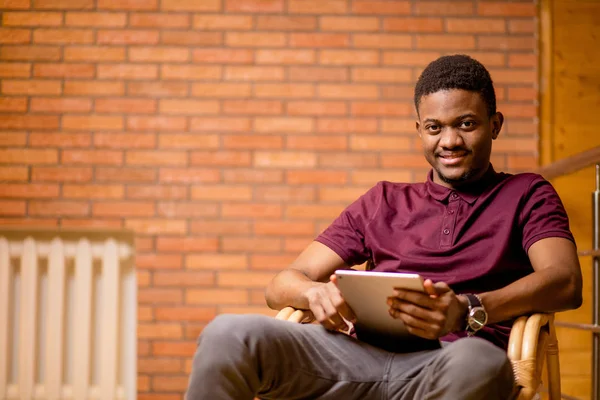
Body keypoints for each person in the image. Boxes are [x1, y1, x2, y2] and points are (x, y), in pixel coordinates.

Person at [185, 54, 583, 400]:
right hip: (352, 358)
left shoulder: (527, 192)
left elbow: (564, 281)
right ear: (419, 131)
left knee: (479, 361)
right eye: (434, 127)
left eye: (466, 124)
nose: (449, 141)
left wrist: (468, 310)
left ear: (494, 125)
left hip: (450, 363)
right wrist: (313, 293)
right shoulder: (384, 200)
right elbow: (281, 284)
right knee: (227, 333)